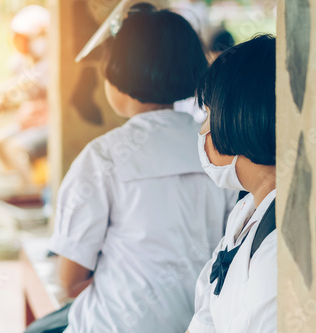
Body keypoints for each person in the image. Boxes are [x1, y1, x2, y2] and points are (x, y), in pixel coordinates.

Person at [25, 5, 237, 333]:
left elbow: (68, 281)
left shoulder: (102, 157)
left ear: (117, 72)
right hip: (196, 322)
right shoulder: (218, 151)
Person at [187, 34, 277, 333]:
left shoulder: (280, 243)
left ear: (239, 117)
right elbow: (205, 315)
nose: (203, 131)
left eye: (209, 114)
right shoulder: (246, 210)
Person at [0, 4, 50, 189]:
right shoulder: (21, 63)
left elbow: (18, 85)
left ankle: (36, 195)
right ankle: (22, 183)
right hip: (30, 122)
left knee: (15, 148)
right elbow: (13, 91)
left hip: (49, 125)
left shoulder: (50, 65)